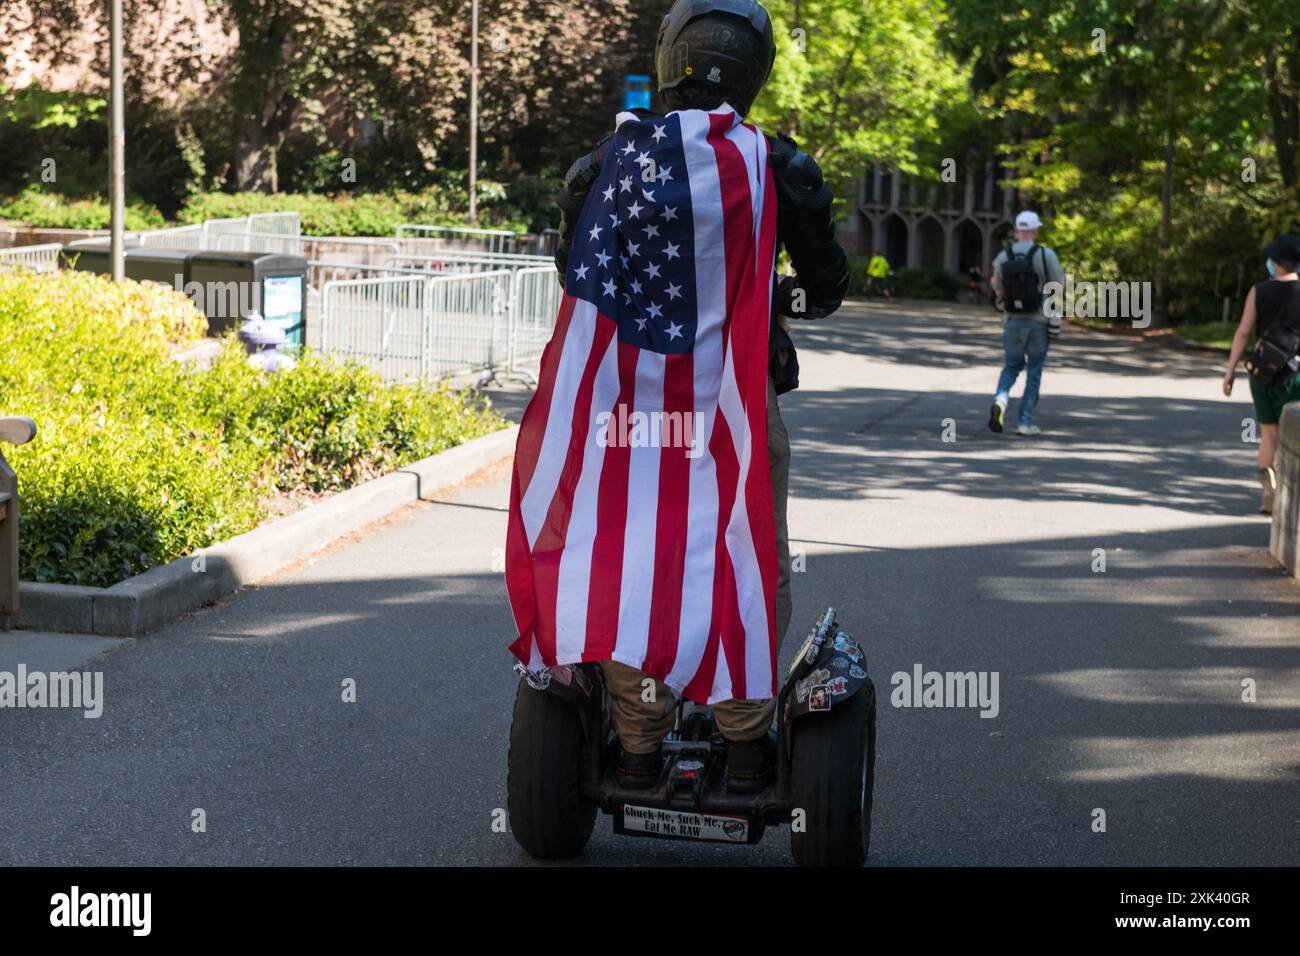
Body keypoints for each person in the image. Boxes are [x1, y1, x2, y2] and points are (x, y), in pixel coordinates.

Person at [549, 0, 848, 794]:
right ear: (755, 67)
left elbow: (574, 271)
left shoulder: (609, 162)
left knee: (628, 558)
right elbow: (827, 288)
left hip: (630, 405)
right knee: (745, 557)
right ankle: (747, 745)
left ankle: (639, 747)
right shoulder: (778, 166)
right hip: (738, 405)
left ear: (671, 55)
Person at [1223, 234, 1300, 514]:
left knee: (1268, 434)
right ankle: (1287, 497)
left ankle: (1269, 492)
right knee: (1293, 433)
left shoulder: (1259, 290)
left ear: (1277, 263)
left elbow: (1243, 331)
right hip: (1295, 375)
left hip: (1261, 372)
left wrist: (1230, 372)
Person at [988, 210, 1065, 436]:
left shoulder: (1003, 257)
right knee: (1034, 371)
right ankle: (1024, 422)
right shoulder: (1045, 255)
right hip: (1038, 322)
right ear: (1035, 230)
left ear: (1016, 230)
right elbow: (1058, 288)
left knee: (1011, 366)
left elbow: (997, 289)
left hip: (1012, 321)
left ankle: (1000, 401)